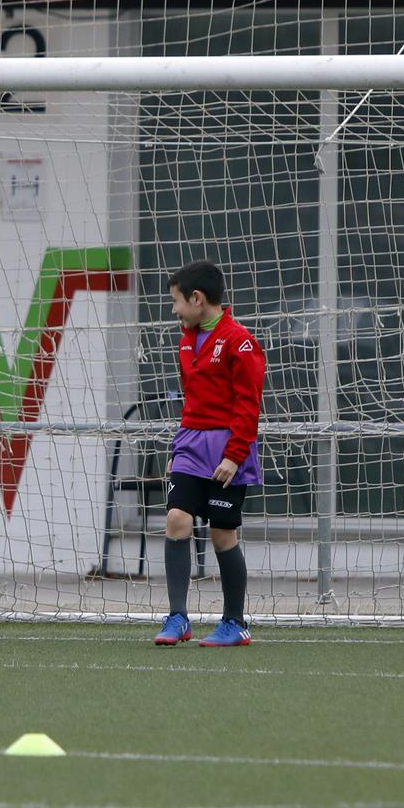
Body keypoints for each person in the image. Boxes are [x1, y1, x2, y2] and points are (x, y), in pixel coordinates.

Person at [153, 260, 266, 649]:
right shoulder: (187, 338)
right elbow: (191, 400)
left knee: (222, 533)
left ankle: (235, 622)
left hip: (226, 449)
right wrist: (178, 447)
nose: (174, 310)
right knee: (176, 519)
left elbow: (248, 406)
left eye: (176, 301)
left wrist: (234, 455)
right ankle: (177, 617)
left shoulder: (240, 341)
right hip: (190, 444)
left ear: (197, 299)